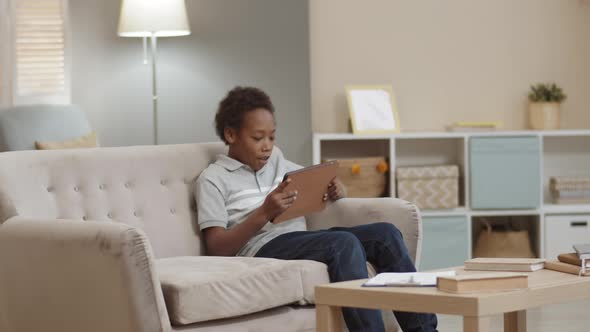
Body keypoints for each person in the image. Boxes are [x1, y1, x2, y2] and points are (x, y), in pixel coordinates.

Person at [195, 86, 438, 332]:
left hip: (301, 238)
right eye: (258, 138)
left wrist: (335, 189)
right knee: (342, 243)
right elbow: (217, 246)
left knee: (385, 234)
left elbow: (312, 181)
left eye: (272, 137)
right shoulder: (213, 179)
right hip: (261, 247)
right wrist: (264, 213)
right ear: (230, 134)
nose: (267, 146)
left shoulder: (277, 161)